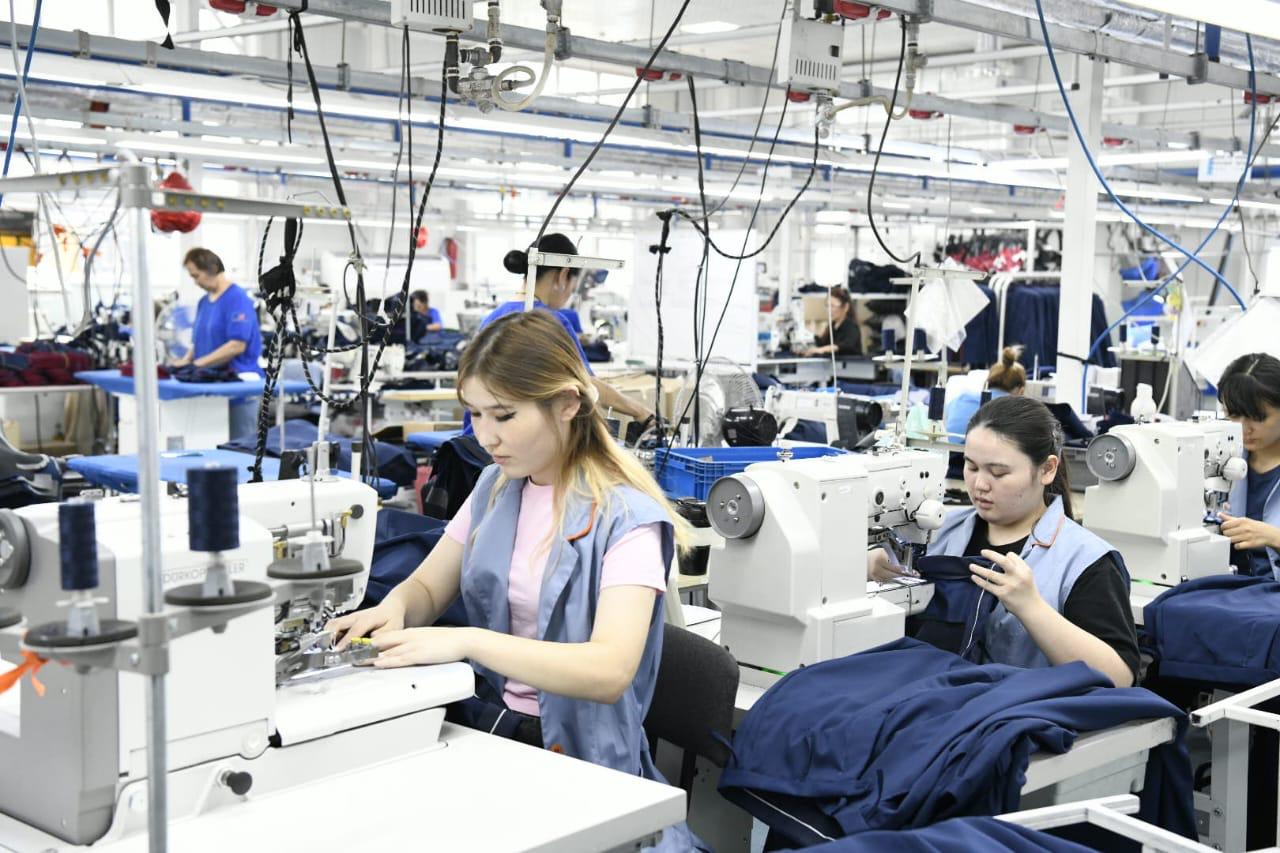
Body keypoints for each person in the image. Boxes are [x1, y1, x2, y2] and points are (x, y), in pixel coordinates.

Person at [327, 309, 702, 851]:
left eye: (504, 416)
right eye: (475, 414)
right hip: (493, 731)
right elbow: (428, 588)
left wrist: (467, 641)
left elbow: (610, 670)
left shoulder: (627, 519)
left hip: (583, 759)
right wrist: (395, 609)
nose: (485, 436)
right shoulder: (495, 488)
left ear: (567, 404)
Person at [871, 395, 1139, 687]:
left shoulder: (1086, 561)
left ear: (1047, 469)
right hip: (927, 697)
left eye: (998, 472)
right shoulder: (937, 532)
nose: (980, 484)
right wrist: (871, 566)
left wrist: (1031, 608)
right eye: (971, 467)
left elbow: (1120, 678)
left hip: (1013, 711)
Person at [462, 233, 650, 433]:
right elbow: (587, 385)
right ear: (562, 275)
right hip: (517, 441)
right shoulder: (551, 321)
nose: (569, 294)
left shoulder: (492, 318)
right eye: (572, 286)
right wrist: (640, 412)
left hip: (477, 437)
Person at [174, 247, 264, 439]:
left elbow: (236, 346)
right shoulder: (203, 302)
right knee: (209, 441)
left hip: (238, 385)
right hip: (210, 387)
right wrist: (184, 362)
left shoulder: (238, 299)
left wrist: (198, 364)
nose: (195, 282)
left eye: (196, 276)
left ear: (211, 268)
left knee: (240, 444)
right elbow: (197, 342)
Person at [1218, 353, 1280, 579]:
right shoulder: (1222, 458)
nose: (1244, 428)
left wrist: (1273, 537)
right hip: (1233, 581)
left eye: (1257, 417)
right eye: (1233, 414)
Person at [943, 346, 1027, 444]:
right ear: (1021, 391)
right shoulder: (1014, 410)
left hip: (948, 451)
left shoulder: (960, 398)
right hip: (977, 452)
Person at [801, 286, 861, 357]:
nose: (829, 310)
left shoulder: (851, 326)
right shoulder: (833, 325)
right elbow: (823, 344)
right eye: (827, 306)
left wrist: (822, 350)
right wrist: (811, 336)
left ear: (846, 307)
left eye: (832, 306)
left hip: (850, 363)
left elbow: (846, 345)